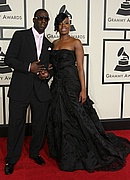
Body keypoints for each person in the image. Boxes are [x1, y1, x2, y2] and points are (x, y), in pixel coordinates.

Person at [46, 13, 130, 172]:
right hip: (57, 85)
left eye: (67, 23)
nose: (64, 26)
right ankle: (64, 151)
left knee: (78, 116)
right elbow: (53, 65)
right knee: (59, 117)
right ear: (56, 26)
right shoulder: (54, 43)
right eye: (61, 24)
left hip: (71, 84)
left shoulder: (75, 43)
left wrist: (83, 89)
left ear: (70, 25)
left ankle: (90, 148)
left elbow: (80, 67)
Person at [4, 9, 53, 175]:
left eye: (46, 19)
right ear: (34, 19)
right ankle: (11, 158)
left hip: (40, 90)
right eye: (40, 18)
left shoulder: (49, 45)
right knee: (16, 125)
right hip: (20, 89)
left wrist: (47, 74)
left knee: (39, 126)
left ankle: (35, 152)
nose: (43, 21)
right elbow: (8, 58)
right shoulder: (20, 36)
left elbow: (50, 68)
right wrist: (28, 67)